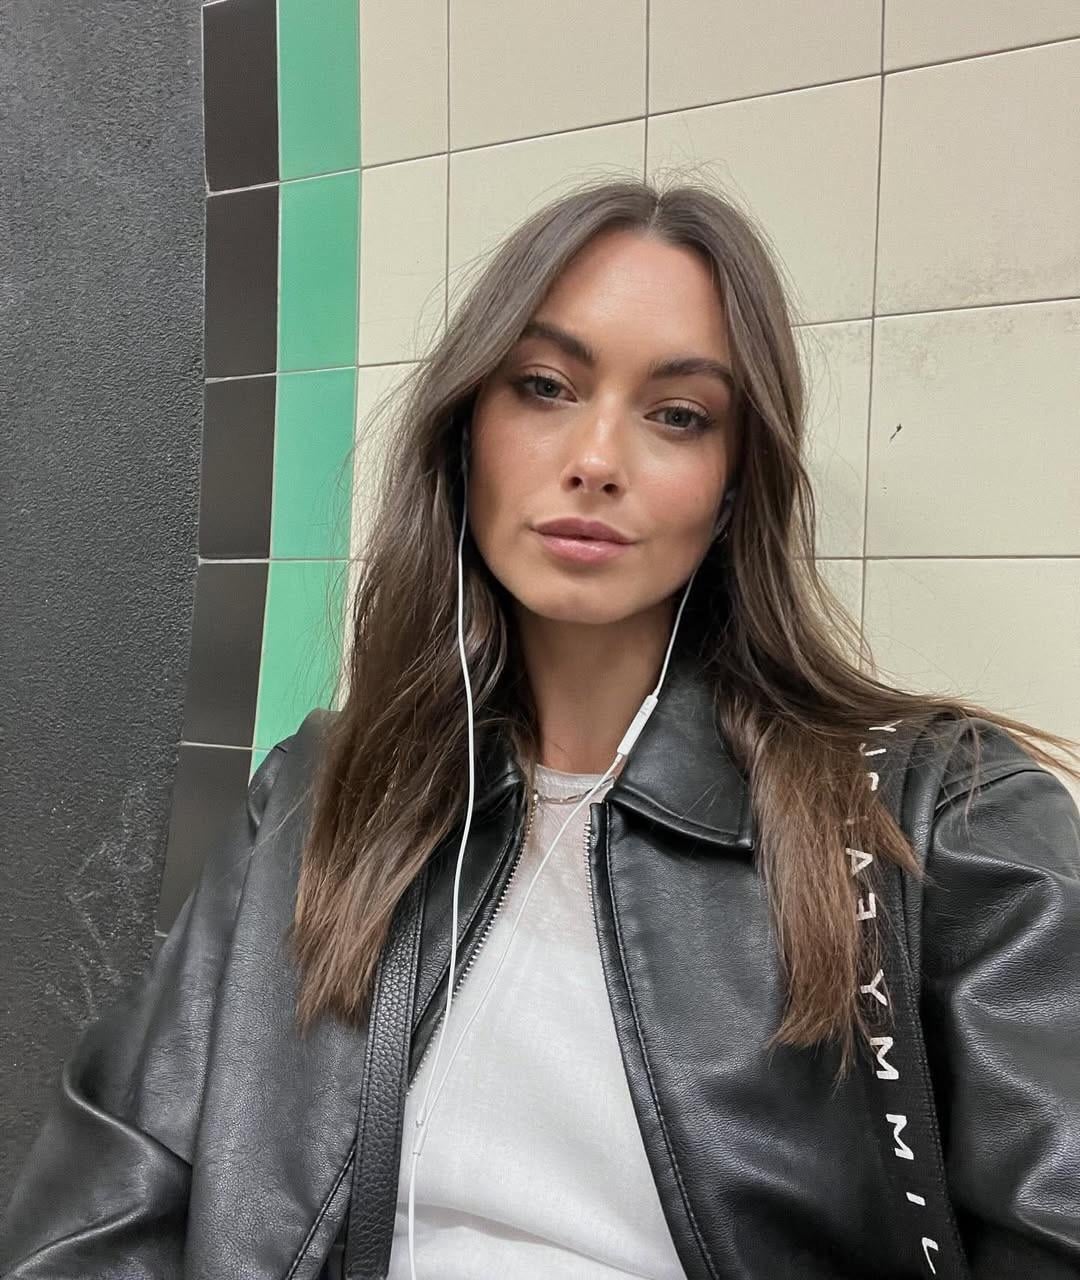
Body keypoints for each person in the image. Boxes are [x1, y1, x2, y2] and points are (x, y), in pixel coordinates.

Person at [3, 178, 1079, 1280]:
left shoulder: (940, 820)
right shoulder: (319, 793)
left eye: (678, 414)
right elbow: (103, 1207)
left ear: (731, 486)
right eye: (545, 386)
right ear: (466, 431)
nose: (597, 459)